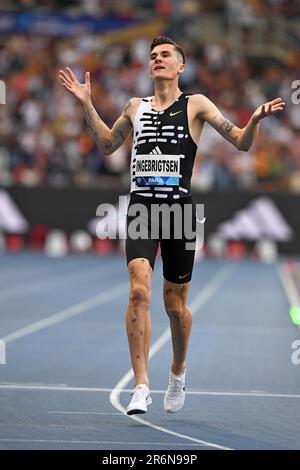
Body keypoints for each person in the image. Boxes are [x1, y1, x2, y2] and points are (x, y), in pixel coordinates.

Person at [58, 36, 285, 415]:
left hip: (179, 211)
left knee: (175, 307)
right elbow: (107, 144)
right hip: (142, 209)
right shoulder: (135, 107)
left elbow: (241, 143)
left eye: (165, 56)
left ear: (181, 67)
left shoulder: (195, 104)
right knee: (138, 294)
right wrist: (86, 104)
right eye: (153, 56)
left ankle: (177, 372)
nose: (157, 59)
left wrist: (255, 121)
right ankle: (141, 385)